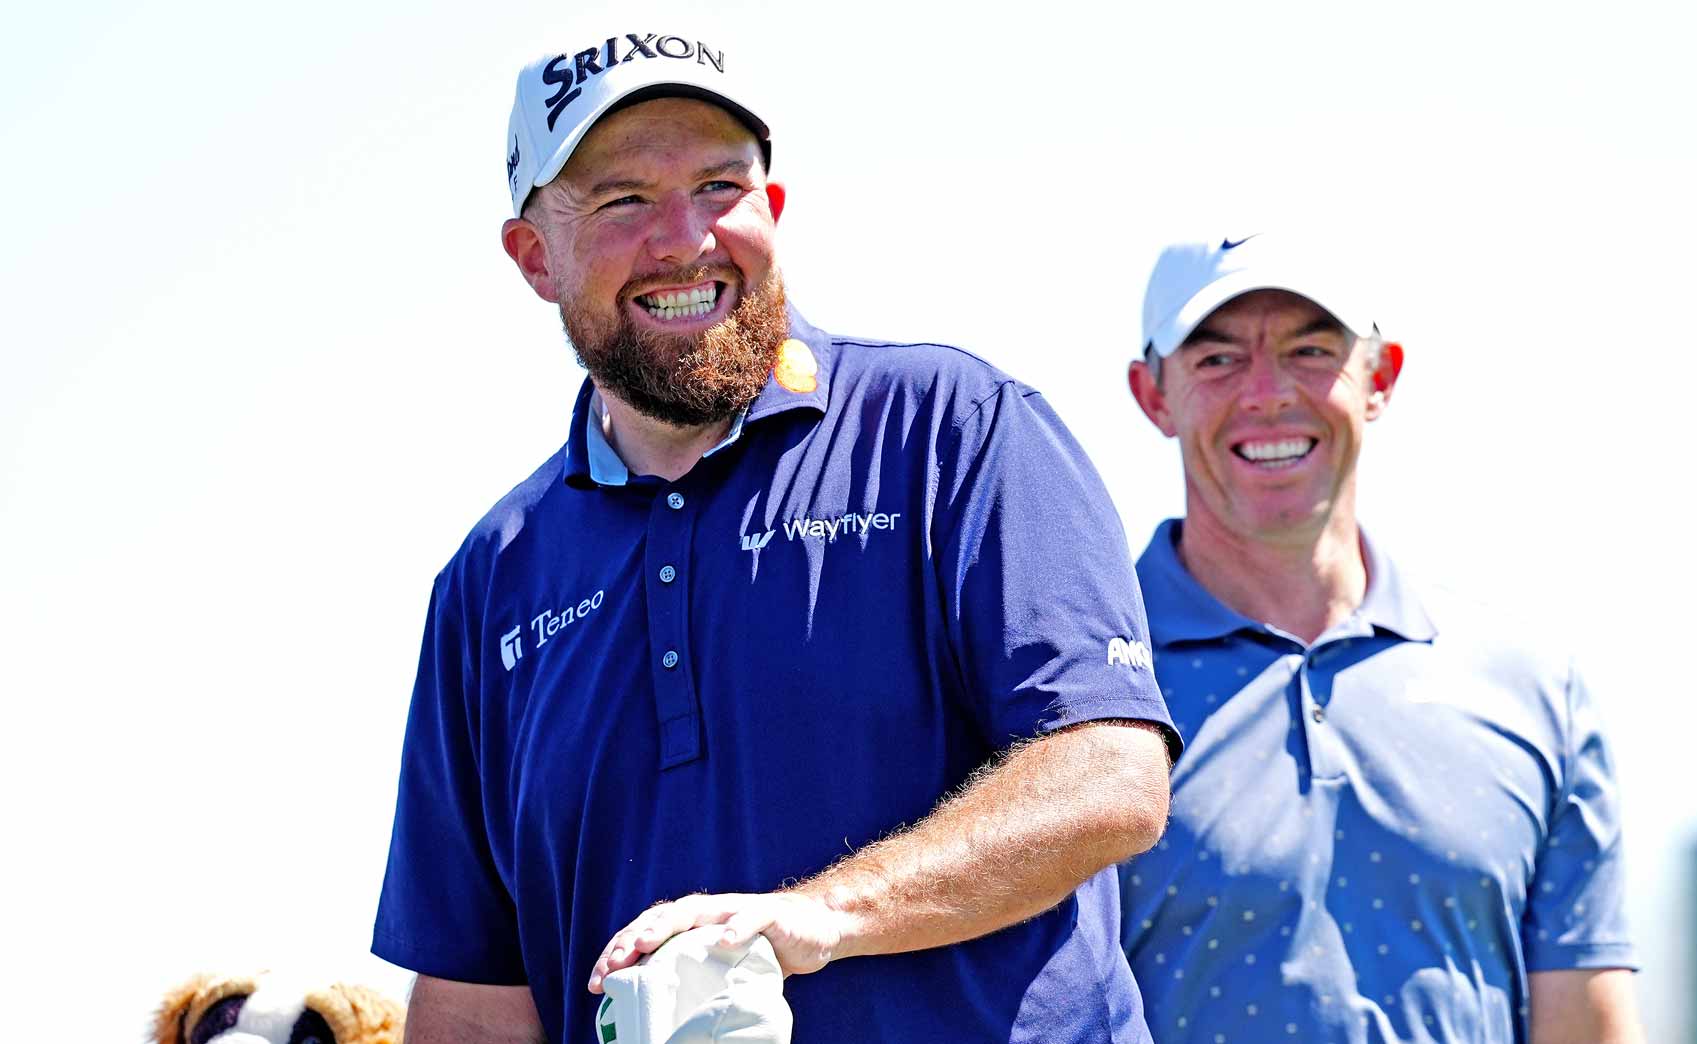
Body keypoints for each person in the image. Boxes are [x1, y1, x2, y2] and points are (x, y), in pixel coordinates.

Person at [370, 24, 1180, 1044]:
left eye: (719, 187)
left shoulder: (952, 429)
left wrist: (821, 916)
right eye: (625, 200)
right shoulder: (490, 582)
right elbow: (475, 1005)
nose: (684, 238)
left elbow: (1107, 777)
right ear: (533, 257)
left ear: (772, 208)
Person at [1117, 232, 1644, 1043]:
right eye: (1217, 360)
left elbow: (1586, 1019)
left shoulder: (1534, 688)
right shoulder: (1071, 692)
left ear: (1381, 378)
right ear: (1152, 395)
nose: (1266, 393)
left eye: (1311, 350)